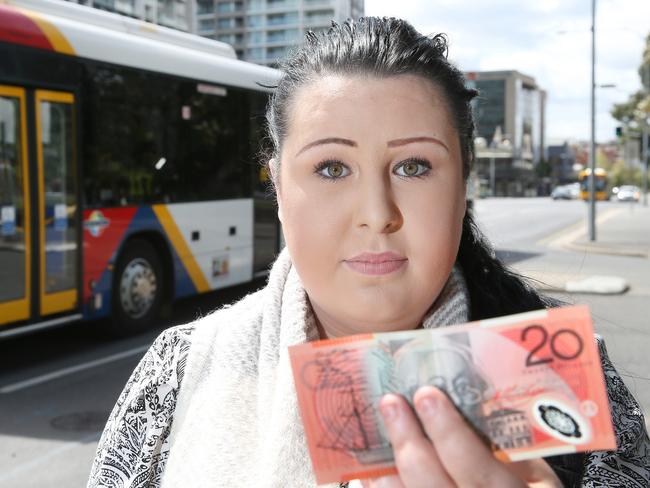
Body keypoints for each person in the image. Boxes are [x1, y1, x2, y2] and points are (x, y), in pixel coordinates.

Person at [87, 17, 649, 488]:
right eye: (331, 168)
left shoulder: (565, 376)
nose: (377, 212)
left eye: (413, 167)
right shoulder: (180, 372)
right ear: (280, 191)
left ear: (464, 186)